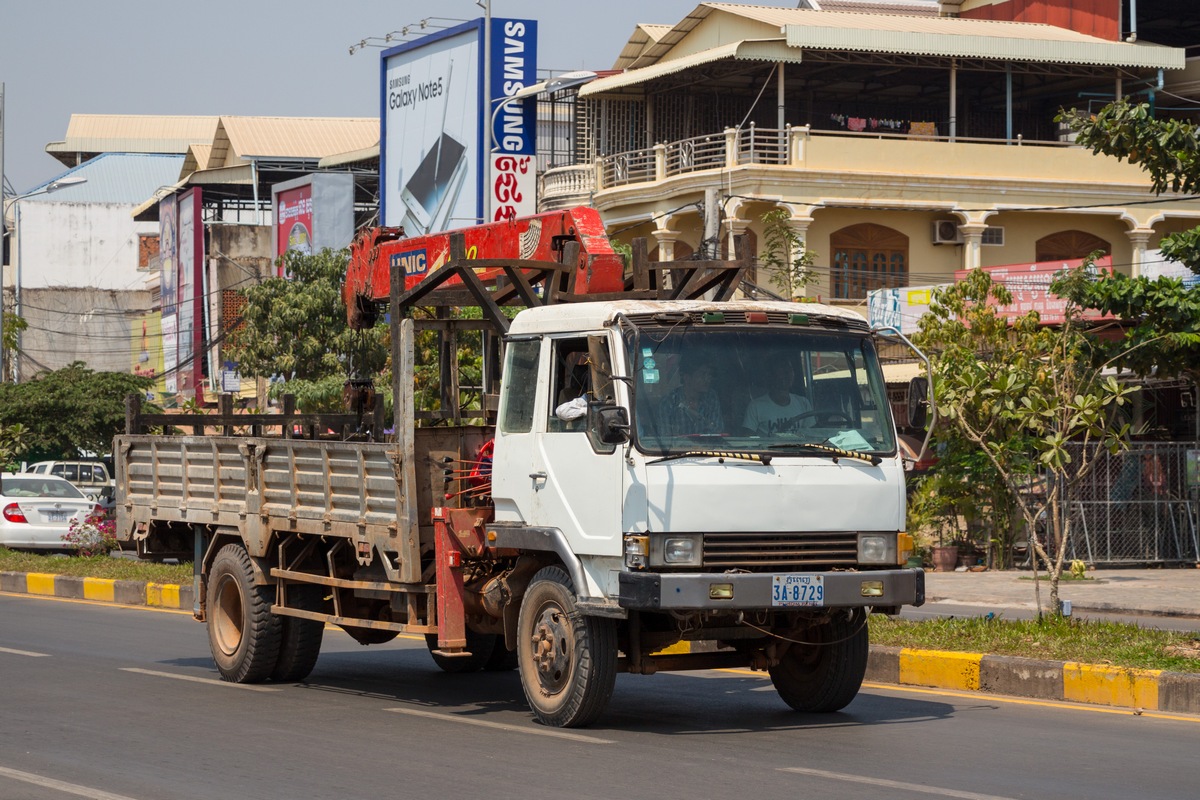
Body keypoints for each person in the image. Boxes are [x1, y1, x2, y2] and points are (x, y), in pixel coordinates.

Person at [743, 359, 813, 435]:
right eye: (781, 370)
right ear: (770, 375)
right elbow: (749, 439)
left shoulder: (803, 403)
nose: (787, 374)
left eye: (789, 370)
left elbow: (812, 435)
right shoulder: (755, 406)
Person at [665, 361, 723, 435]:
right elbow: (665, 437)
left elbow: (717, 429)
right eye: (702, 374)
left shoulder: (711, 397)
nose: (708, 379)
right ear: (687, 378)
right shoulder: (669, 402)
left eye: (709, 374)